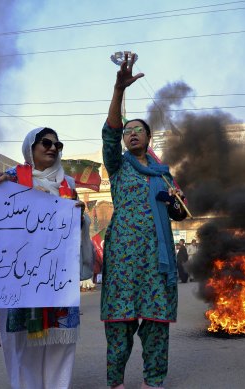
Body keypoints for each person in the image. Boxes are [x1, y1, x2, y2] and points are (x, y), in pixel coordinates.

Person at [100, 53, 187, 389]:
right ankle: (116, 383)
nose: (132, 134)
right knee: (119, 325)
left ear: (149, 139)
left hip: (156, 263)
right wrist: (119, 90)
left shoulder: (164, 176)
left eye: (139, 131)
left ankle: (153, 381)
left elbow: (180, 213)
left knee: (155, 325)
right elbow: (109, 132)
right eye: (128, 132)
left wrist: (174, 204)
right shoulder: (118, 166)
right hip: (123, 259)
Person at [0, 127, 93, 389]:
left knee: (60, 340)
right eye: (46, 143)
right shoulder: (11, 180)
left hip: (57, 273)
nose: (52, 148)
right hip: (21, 276)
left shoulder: (68, 184)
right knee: (23, 342)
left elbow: (77, 228)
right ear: (30, 147)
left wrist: (81, 216)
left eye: (57, 145)